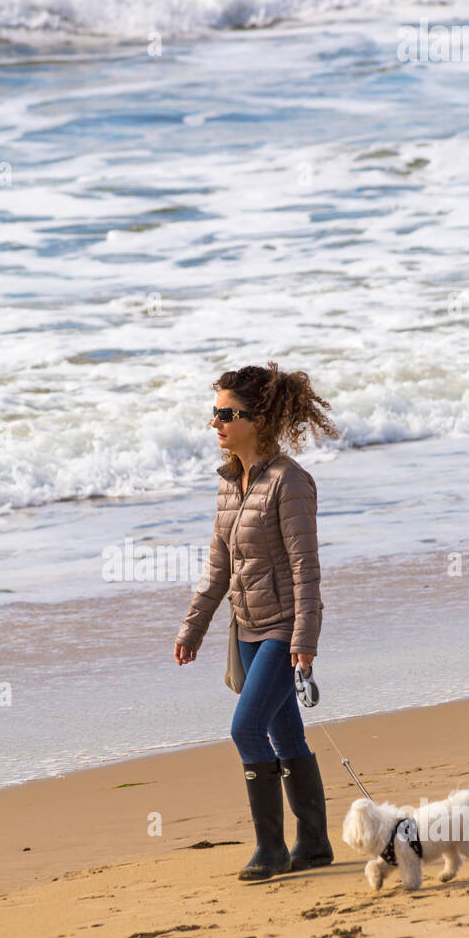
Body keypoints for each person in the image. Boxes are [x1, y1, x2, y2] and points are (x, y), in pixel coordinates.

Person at [174, 361, 338, 881]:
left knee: (245, 728)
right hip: (244, 628)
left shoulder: (290, 483)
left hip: (281, 629)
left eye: (226, 413)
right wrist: (192, 628)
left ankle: (270, 850)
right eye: (214, 412)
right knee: (285, 736)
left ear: (257, 419)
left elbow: (305, 568)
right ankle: (313, 845)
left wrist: (305, 639)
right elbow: (217, 568)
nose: (215, 422)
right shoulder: (229, 483)